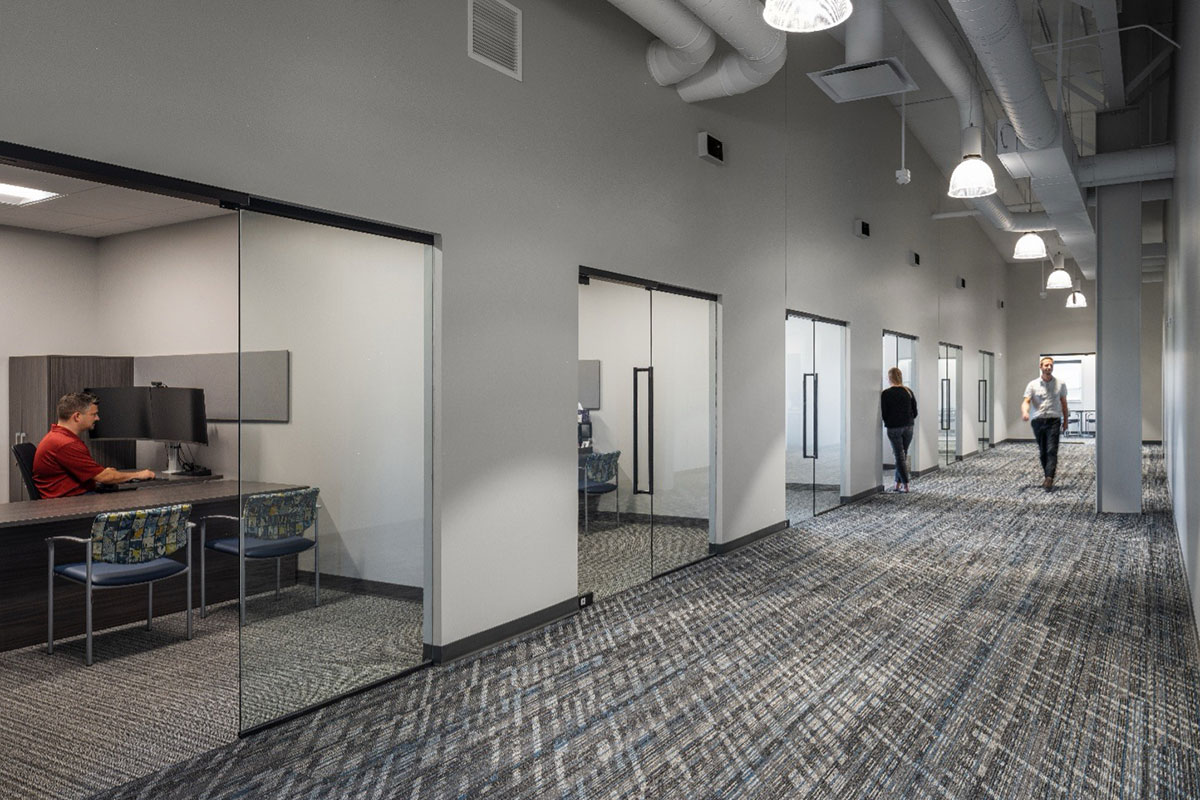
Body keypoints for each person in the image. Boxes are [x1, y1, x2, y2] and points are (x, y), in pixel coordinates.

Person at [33, 392, 156, 498]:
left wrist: (104, 473)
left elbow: (96, 474)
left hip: (73, 497)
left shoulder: (57, 437)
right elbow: (104, 478)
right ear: (77, 417)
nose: (97, 418)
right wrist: (139, 474)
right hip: (71, 503)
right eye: (93, 414)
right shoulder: (65, 444)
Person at [1021, 356, 1069, 490]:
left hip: (1054, 420)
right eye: (1046, 365)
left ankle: (1049, 478)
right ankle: (1047, 474)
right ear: (1041, 367)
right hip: (1038, 420)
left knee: (1051, 449)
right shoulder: (1032, 384)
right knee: (1043, 452)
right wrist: (1025, 412)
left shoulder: (1061, 384)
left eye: (1050, 365)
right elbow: (1026, 401)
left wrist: (1065, 421)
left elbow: (1064, 403)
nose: (1048, 367)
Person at [881, 367, 918, 493]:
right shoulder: (908, 391)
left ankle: (906, 485)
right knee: (903, 455)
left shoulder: (886, 393)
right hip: (908, 426)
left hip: (894, 427)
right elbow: (915, 412)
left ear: (889, 378)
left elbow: (884, 413)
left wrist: (889, 421)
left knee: (899, 456)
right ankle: (897, 483)